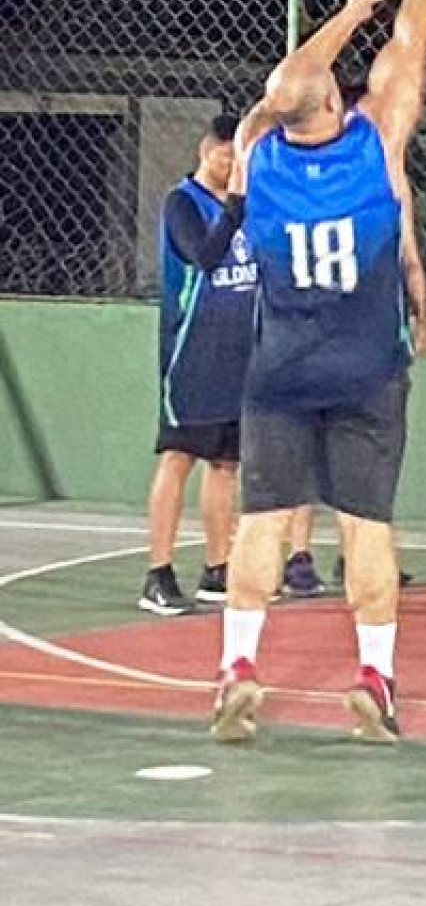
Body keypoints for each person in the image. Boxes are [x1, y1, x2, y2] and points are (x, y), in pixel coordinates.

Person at [210, 0, 426, 746]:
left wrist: (343, 19)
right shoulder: (375, 142)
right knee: (366, 528)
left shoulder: (256, 157)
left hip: (281, 369)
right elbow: (409, 48)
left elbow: (284, 86)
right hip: (366, 371)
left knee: (261, 522)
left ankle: (239, 668)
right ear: (336, 104)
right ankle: (375, 679)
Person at [142, 116, 255, 615]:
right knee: (178, 457)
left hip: (240, 354)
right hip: (192, 351)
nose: (232, 166)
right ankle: (158, 572)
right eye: (225, 156)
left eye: (239, 159)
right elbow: (206, 256)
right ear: (206, 151)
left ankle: (218, 566)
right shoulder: (182, 203)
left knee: (226, 464)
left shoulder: (250, 209)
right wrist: (234, 205)